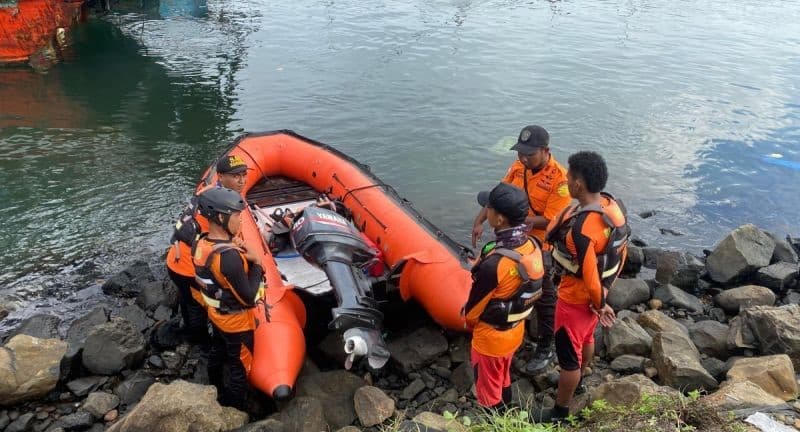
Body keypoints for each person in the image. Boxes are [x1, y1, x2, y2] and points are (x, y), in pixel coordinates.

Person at [534, 151, 629, 422]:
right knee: (586, 338)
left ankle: (560, 410)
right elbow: (622, 253)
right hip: (594, 298)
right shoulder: (612, 208)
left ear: (578, 184)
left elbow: (588, 274)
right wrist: (604, 295)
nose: (565, 178)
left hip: (575, 299)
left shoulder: (584, 228)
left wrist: (600, 302)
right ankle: (582, 377)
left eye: (569, 176)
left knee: (567, 355)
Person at [471, 125, 571, 373]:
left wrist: (514, 219)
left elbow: (551, 219)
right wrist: (480, 220)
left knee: (544, 296)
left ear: (546, 151)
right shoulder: (518, 167)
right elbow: (499, 195)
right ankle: (512, 330)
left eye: (529, 154)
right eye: (521, 153)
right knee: (506, 287)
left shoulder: (560, 179)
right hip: (511, 236)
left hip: (540, 244)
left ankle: (545, 347)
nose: (523, 158)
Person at [464, 183, 545, 410]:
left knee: (488, 394)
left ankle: (497, 422)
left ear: (499, 219)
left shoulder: (495, 264)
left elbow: (471, 314)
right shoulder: (532, 246)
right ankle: (509, 413)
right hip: (515, 331)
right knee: (503, 377)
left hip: (490, 342)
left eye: (488, 208)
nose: (485, 211)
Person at [165, 154, 251, 342]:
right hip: (188, 268)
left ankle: (192, 329)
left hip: (178, 259)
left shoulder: (208, 192)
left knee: (189, 301)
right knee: (198, 306)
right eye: (236, 176)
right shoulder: (219, 207)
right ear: (220, 176)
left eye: (244, 174)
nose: (242, 180)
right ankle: (200, 342)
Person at [193, 187, 264, 411]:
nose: (241, 221)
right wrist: (258, 265)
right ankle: (235, 410)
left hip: (216, 315)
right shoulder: (229, 258)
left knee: (218, 350)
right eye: (237, 216)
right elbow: (250, 298)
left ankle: (214, 385)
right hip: (237, 324)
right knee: (239, 367)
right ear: (221, 217)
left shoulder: (201, 243)